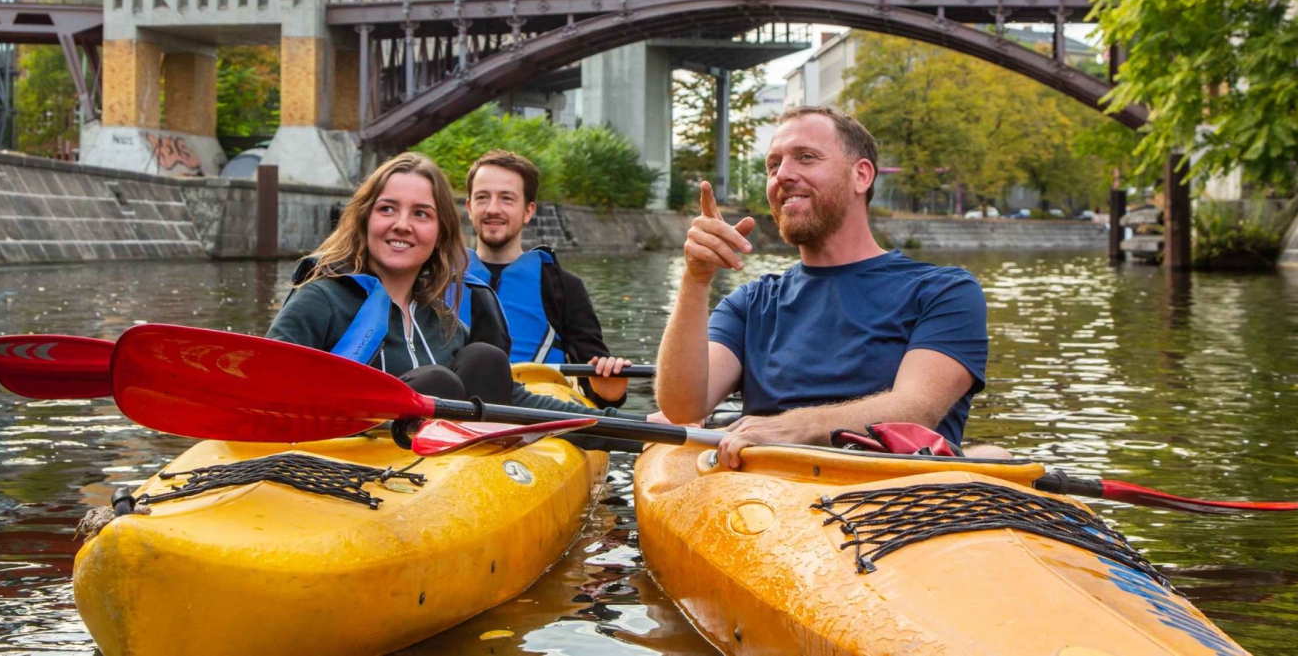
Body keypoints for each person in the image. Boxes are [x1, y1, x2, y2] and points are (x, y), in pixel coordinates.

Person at [655, 105, 997, 469]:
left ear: (861, 176)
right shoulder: (749, 302)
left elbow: (914, 410)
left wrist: (791, 428)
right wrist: (696, 279)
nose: (782, 175)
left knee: (994, 456)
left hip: (898, 490)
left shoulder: (944, 292)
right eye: (773, 165)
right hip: (762, 494)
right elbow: (682, 407)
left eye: (805, 157)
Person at [266, 152, 624, 419]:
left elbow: (515, 399)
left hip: (434, 480)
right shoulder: (322, 298)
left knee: (484, 360)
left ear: (439, 234)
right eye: (387, 209)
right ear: (364, 219)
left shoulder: (440, 319)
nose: (402, 225)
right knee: (436, 385)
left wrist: (631, 422)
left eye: (421, 214)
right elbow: (260, 386)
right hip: (350, 463)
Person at [463, 150, 631, 409]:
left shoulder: (563, 287)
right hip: (458, 404)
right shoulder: (436, 280)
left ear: (528, 211)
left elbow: (595, 374)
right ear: (469, 207)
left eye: (507, 199)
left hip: (539, 411)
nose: (493, 209)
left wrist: (609, 393)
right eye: (482, 198)